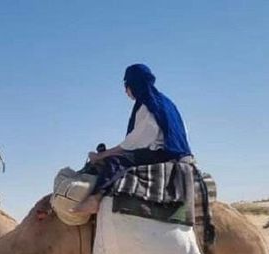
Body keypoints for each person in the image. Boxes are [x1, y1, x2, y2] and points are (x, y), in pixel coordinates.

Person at [72, 64, 193, 214]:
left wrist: (101, 155)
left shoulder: (148, 105)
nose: (126, 91)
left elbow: (133, 143)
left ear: (134, 85)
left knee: (115, 162)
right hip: (179, 154)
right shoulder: (166, 103)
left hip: (163, 155)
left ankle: (95, 199)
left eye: (127, 86)